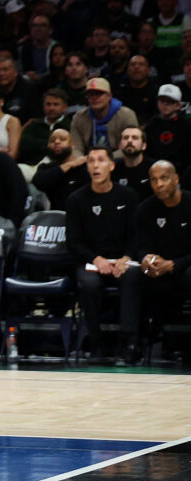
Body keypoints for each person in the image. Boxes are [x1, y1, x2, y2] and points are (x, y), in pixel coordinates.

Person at [65, 148, 142, 364]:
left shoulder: (128, 195)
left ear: (112, 165)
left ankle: (128, 342)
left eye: (100, 160)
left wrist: (126, 257)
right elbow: (73, 242)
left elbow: (136, 235)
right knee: (89, 284)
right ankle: (95, 342)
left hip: (121, 259)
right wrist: (96, 259)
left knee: (133, 276)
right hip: (91, 261)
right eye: (91, 161)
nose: (95, 165)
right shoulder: (76, 199)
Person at [137, 161, 191, 353]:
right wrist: (146, 258)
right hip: (157, 270)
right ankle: (132, 343)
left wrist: (174, 264)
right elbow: (140, 245)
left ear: (176, 179)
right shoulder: (145, 209)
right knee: (131, 275)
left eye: (164, 178)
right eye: (154, 180)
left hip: (184, 267)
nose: (159, 184)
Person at [71, 77, 138, 156]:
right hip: (88, 160)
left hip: (119, 160)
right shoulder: (79, 117)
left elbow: (131, 146)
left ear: (109, 96)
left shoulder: (126, 115)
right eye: (90, 94)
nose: (94, 98)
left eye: (99, 94)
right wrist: (82, 160)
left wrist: (104, 159)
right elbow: (76, 148)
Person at [143, 84, 191, 174]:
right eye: (162, 101)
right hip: (154, 169)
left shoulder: (186, 126)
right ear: (157, 103)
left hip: (180, 171)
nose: (165, 104)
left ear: (178, 105)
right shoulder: (152, 124)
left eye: (170, 101)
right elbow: (147, 151)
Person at [113, 126, 154, 199]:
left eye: (135, 138)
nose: (129, 141)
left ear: (144, 145)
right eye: (125, 138)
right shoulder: (113, 169)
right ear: (119, 145)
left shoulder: (154, 168)